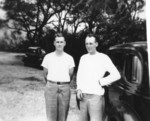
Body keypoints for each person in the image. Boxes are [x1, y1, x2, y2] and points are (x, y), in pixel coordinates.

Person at [76, 34, 121, 121]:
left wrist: (102, 81)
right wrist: (79, 89)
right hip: (83, 97)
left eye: (91, 43)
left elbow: (116, 75)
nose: (88, 46)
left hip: (96, 97)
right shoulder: (83, 58)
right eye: (86, 44)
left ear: (96, 44)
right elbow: (79, 75)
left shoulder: (103, 58)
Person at [41, 33, 75, 121]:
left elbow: (71, 74)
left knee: (63, 116)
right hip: (51, 87)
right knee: (51, 116)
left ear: (65, 43)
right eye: (57, 42)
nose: (59, 44)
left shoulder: (69, 58)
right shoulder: (48, 57)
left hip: (65, 87)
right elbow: (45, 74)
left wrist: (63, 83)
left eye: (61, 42)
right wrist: (52, 84)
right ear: (54, 43)